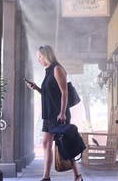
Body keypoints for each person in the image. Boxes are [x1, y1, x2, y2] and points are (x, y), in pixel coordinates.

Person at [25, 45, 83, 181]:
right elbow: (49, 94)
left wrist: (62, 112)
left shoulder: (57, 69)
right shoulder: (48, 71)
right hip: (49, 114)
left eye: (39, 56)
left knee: (65, 145)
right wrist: (37, 88)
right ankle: (46, 177)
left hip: (58, 114)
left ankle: (78, 175)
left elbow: (64, 92)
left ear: (46, 55)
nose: (38, 59)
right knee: (46, 143)